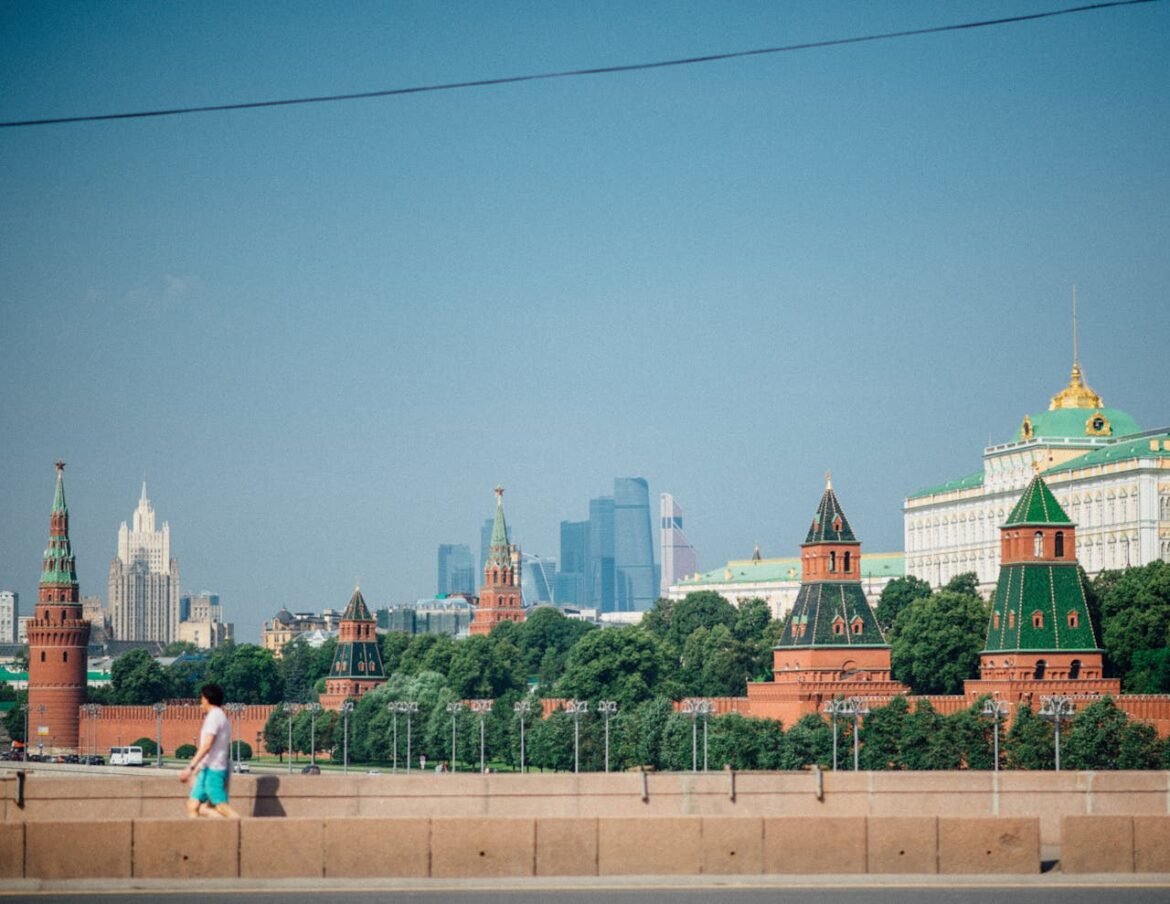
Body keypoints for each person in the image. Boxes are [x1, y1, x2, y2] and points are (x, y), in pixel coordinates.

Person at [179, 683, 240, 818]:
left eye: (201, 697)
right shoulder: (218, 716)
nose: (200, 701)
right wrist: (197, 770)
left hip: (214, 770)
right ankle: (198, 832)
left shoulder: (215, 716)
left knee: (221, 807)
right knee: (193, 805)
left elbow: (207, 745)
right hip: (207, 769)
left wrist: (190, 767)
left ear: (207, 698)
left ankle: (242, 826)